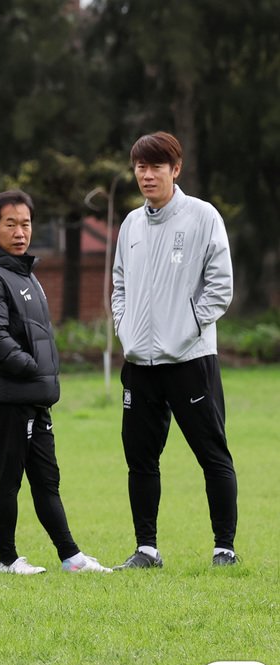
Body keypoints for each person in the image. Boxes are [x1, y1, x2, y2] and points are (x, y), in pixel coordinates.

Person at [110, 131, 238, 570]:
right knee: (140, 459)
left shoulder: (203, 217)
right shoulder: (130, 225)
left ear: (175, 169)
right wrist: (126, 331)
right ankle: (146, 548)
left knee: (212, 453)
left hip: (190, 361)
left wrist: (187, 328)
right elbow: (120, 286)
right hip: (139, 365)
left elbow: (220, 288)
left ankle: (225, 547)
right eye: (140, 167)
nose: (147, 175)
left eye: (156, 167)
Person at [0, 190, 111, 575]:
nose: (20, 232)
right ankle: (7, 559)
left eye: (26, 224)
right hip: (10, 396)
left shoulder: (21, 271)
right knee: (8, 478)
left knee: (47, 480)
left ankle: (71, 557)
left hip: (33, 396)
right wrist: (31, 368)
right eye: (10, 224)